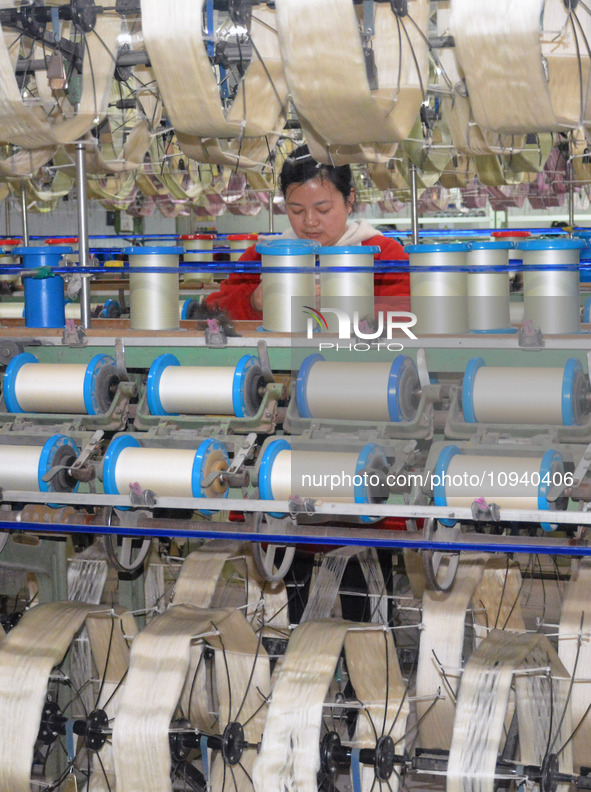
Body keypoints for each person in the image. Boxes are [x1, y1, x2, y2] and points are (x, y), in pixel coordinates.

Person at [205, 145, 409, 320]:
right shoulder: (261, 256)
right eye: (297, 210)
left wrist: (339, 306)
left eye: (323, 210)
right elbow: (210, 312)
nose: (310, 221)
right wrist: (254, 302)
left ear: (349, 200)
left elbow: (411, 316)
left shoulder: (383, 255)